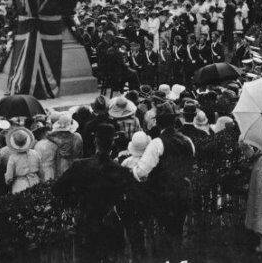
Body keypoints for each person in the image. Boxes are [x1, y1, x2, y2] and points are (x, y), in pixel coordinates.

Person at [53, 123, 135, 258]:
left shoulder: (79, 166)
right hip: (110, 224)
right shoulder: (121, 171)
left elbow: (56, 189)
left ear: (95, 141)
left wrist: (74, 199)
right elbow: (128, 201)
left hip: (86, 223)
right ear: (112, 143)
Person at [132, 101, 195, 259]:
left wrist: (131, 170)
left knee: (164, 234)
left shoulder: (157, 143)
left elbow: (141, 172)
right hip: (183, 192)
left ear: (158, 122)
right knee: (178, 231)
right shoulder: (188, 141)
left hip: (163, 196)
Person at [4, 126, 42, 194]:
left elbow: (9, 177)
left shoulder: (13, 157)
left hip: (20, 184)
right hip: (35, 181)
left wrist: (8, 182)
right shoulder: (35, 153)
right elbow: (41, 170)